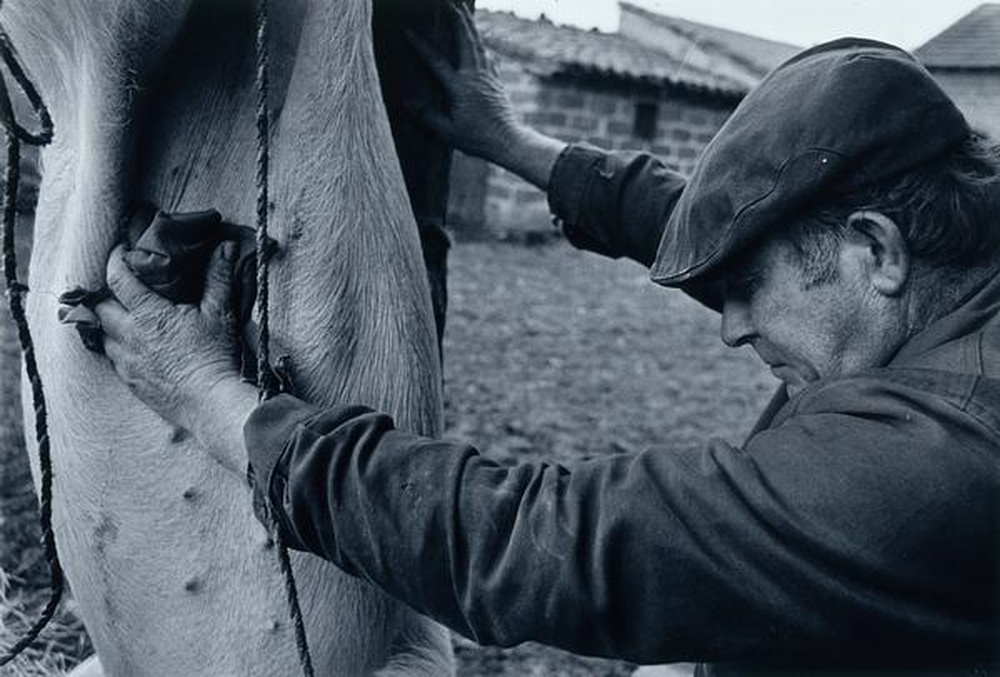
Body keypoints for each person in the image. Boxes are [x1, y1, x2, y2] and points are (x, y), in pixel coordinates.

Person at [85, 5, 1000, 674]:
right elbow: (712, 221)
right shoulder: (952, 269)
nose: (731, 328)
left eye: (746, 291)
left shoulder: (939, 459)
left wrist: (212, 397)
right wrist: (512, 143)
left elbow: (541, 542)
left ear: (877, 248)